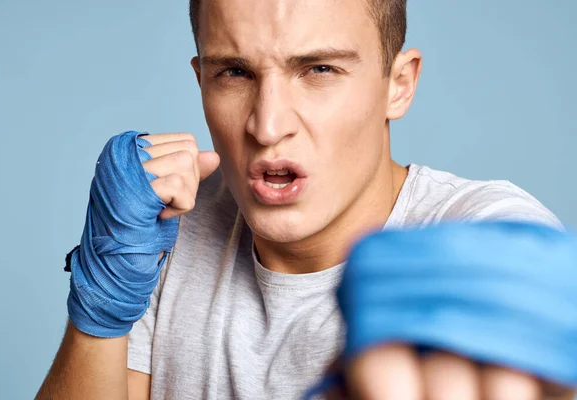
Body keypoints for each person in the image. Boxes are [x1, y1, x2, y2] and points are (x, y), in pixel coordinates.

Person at [36, 0, 576, 399]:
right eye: (235, 72)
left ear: (399, 84)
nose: (268, 126)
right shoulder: (168, 229)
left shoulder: (485, 235)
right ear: (201, 82)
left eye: (318, 70)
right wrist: (102, 302)